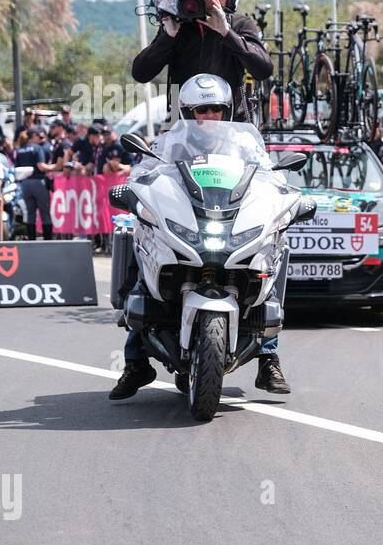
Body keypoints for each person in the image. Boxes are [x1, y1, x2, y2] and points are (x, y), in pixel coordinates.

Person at [109, 74, 292, 401]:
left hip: (230, 223)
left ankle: (269, 359)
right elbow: (142, 174)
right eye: (201, 109)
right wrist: (136, 194)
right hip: (188, 222)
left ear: (226, 110)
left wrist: (286, 197)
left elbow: (270, 176)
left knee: (272, 256)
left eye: (216, 109)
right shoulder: (170, 142)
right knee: (144, 244)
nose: (209, 116)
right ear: (187, 111)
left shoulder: (245, 143)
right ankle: (135, 361)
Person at [131, 0, 272, 119]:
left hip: (231, 127)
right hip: (182, 127)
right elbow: (140, 73)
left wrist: (227, 33)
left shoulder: (240, 24)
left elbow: (264, 70)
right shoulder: (180, 24)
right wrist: (168, 36)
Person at [13, 125, 55, 239]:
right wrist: (55, 167)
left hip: (25, 185)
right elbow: (41, 167)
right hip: (38, 182)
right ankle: (48, 241)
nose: (40, 139)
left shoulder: (19, 150)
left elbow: (16, 168)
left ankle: (31, 241)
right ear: (33, 136)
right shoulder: (37, 148)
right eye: (38, 136)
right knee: (45, 213)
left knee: (30, 214)